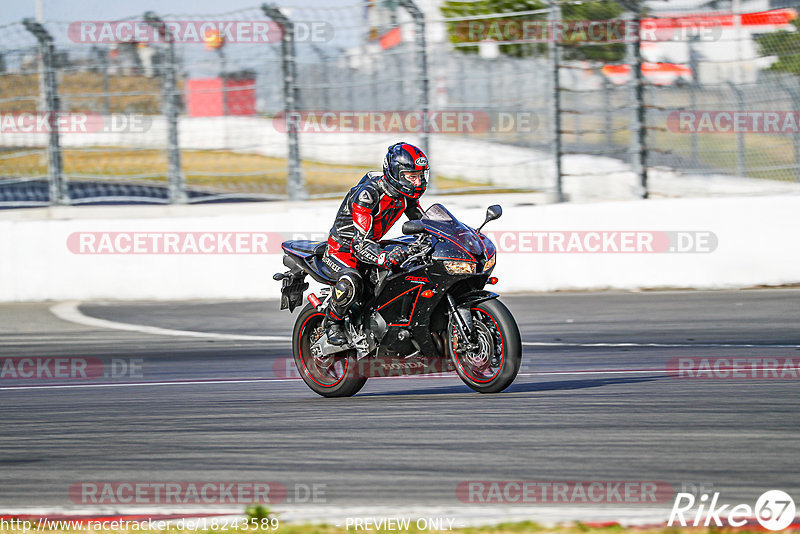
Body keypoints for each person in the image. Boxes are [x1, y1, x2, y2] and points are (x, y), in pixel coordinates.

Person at [323, 142, 430, 345]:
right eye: (412, 176)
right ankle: (332, 322)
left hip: (371, 243)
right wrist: (383, 256)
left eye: (420, 176)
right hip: (343, 249)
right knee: (352, 281)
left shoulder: (406, 196)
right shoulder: (368, 195)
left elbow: (423, 223)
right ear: (395, 173)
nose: (418, 183)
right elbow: (360, 244)